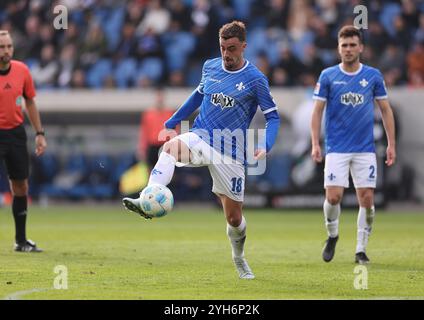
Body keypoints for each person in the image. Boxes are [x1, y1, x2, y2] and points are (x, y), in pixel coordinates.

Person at [123, 21, 280, 279]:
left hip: (231, 152)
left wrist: (266, 143)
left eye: (231, 49)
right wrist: (174, 120)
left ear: (243, 46)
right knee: (170, 148)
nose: (226, 55)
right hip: (202, 136)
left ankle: (238, 258)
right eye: (222, 48)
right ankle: (147, 198)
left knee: (233, 219)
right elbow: (197, 96)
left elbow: (273, 117)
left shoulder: (255, 79)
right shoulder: (210, 67)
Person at [310, 25, 396, 265]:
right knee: (334, 197)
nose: (348, 49)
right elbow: (317, 112)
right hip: (336, 147)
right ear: (339, 49)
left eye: (352, 45)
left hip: (365, 149)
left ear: (361, 47)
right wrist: (315, 143)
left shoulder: (373, 76)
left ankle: (360, 249)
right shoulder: (328, 76)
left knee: (366, 199)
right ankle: (332, 234)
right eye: (344, 45)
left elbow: (386, 110)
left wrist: (391, 144)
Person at [0, 31, 47, 252]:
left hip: (16, 133)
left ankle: (20, 240)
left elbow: (30, 102)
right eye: (2, 47)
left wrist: (39, 133)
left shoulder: (22, 70)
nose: (6, 51)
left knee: (20, 186)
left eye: (9, 46)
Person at [138, 88, 175, 171]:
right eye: (158, 96)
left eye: (161, 96)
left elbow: (175, 131)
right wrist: (142, 149)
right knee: (152, 171)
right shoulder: (148, 114)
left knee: (166, 171)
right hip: (152, 147)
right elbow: (144, 133)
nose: (159, 98)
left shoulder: (169, 113)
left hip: (165, 146)